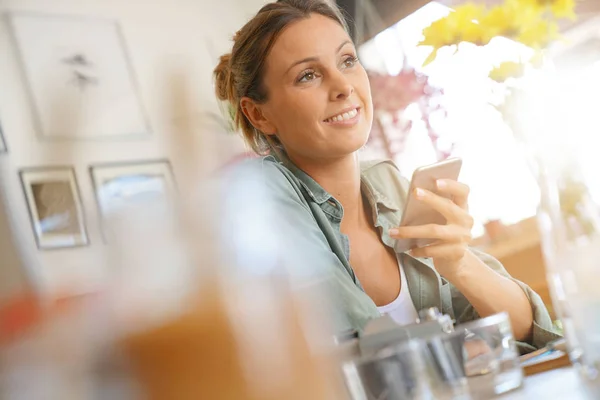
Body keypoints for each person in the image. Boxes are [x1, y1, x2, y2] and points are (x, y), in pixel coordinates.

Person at [213, 0, 560, 352]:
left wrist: (459, 262)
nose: (343, 87)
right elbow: (371, 360)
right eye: (308, 75)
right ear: (258, 115)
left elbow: (527, 329)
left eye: (347, 61)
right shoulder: (265, 198)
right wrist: (468, 352)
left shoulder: (386, 182)